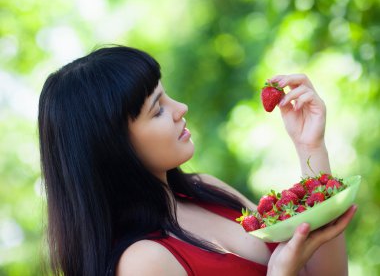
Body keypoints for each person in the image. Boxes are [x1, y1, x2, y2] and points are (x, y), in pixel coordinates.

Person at [38, 45, 357, 276]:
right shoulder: (143, 263)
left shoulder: (205, 190)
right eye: (157, 109)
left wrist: (309, 146)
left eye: (166, 95)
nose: (181, 108)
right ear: (113, 148)